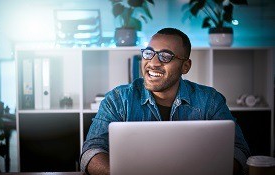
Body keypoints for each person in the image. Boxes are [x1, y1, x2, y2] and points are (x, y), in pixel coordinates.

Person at [80, 28, 251, 175]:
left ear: (186, 66)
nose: (153, 63)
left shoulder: (210, 100)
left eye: (165, 56)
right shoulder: (117, 99)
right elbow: (91, 151)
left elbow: (239, 151)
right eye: (149, 53)